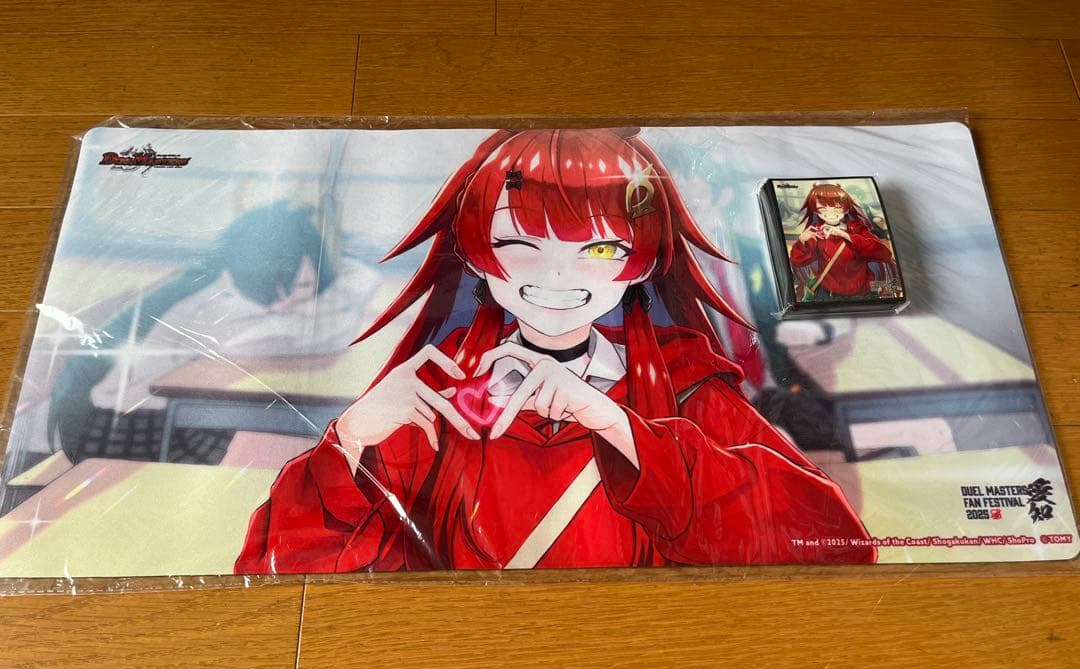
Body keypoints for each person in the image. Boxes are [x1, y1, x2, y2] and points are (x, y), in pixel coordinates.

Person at [236, 128, 874, 573]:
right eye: (519, 244)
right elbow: (278, 569)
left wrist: (618, 425)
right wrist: (348, 439)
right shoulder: (439, 390)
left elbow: (835, 543)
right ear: (477, 254)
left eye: (600, 249)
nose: (558, 277)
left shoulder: (682, 380)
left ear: (637, 262)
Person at [47, 201, 343, 465]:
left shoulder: (209, 283)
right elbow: (268, 350)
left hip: (114, 415)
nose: (303, 300)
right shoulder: (212, 303)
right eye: (299, 287)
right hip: (112, 426)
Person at [788, 183, 895, 300]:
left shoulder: (857, 229)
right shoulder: (816, 233)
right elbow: (797, 262)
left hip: (861, 294)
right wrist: (802, 242)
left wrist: (845, 235)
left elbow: (885, 254)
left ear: (845, 208)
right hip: (829, 294)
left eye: (837, 208)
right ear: (816, 211)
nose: (830, 214)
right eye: (823, 208)